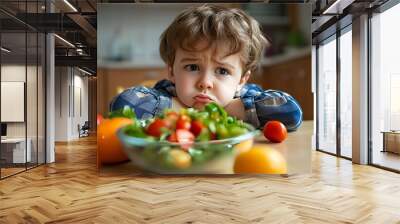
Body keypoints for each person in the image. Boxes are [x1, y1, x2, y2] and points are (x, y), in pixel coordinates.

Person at [110, 4, 302, 131]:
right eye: (192, 67)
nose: (205, 83)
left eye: (222, 71)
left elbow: (292, 113)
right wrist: (180, 108)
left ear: (241, 80)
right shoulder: (166, 92)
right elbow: (122, 105)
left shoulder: (245, 97)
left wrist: (230, 109)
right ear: (171, 71)